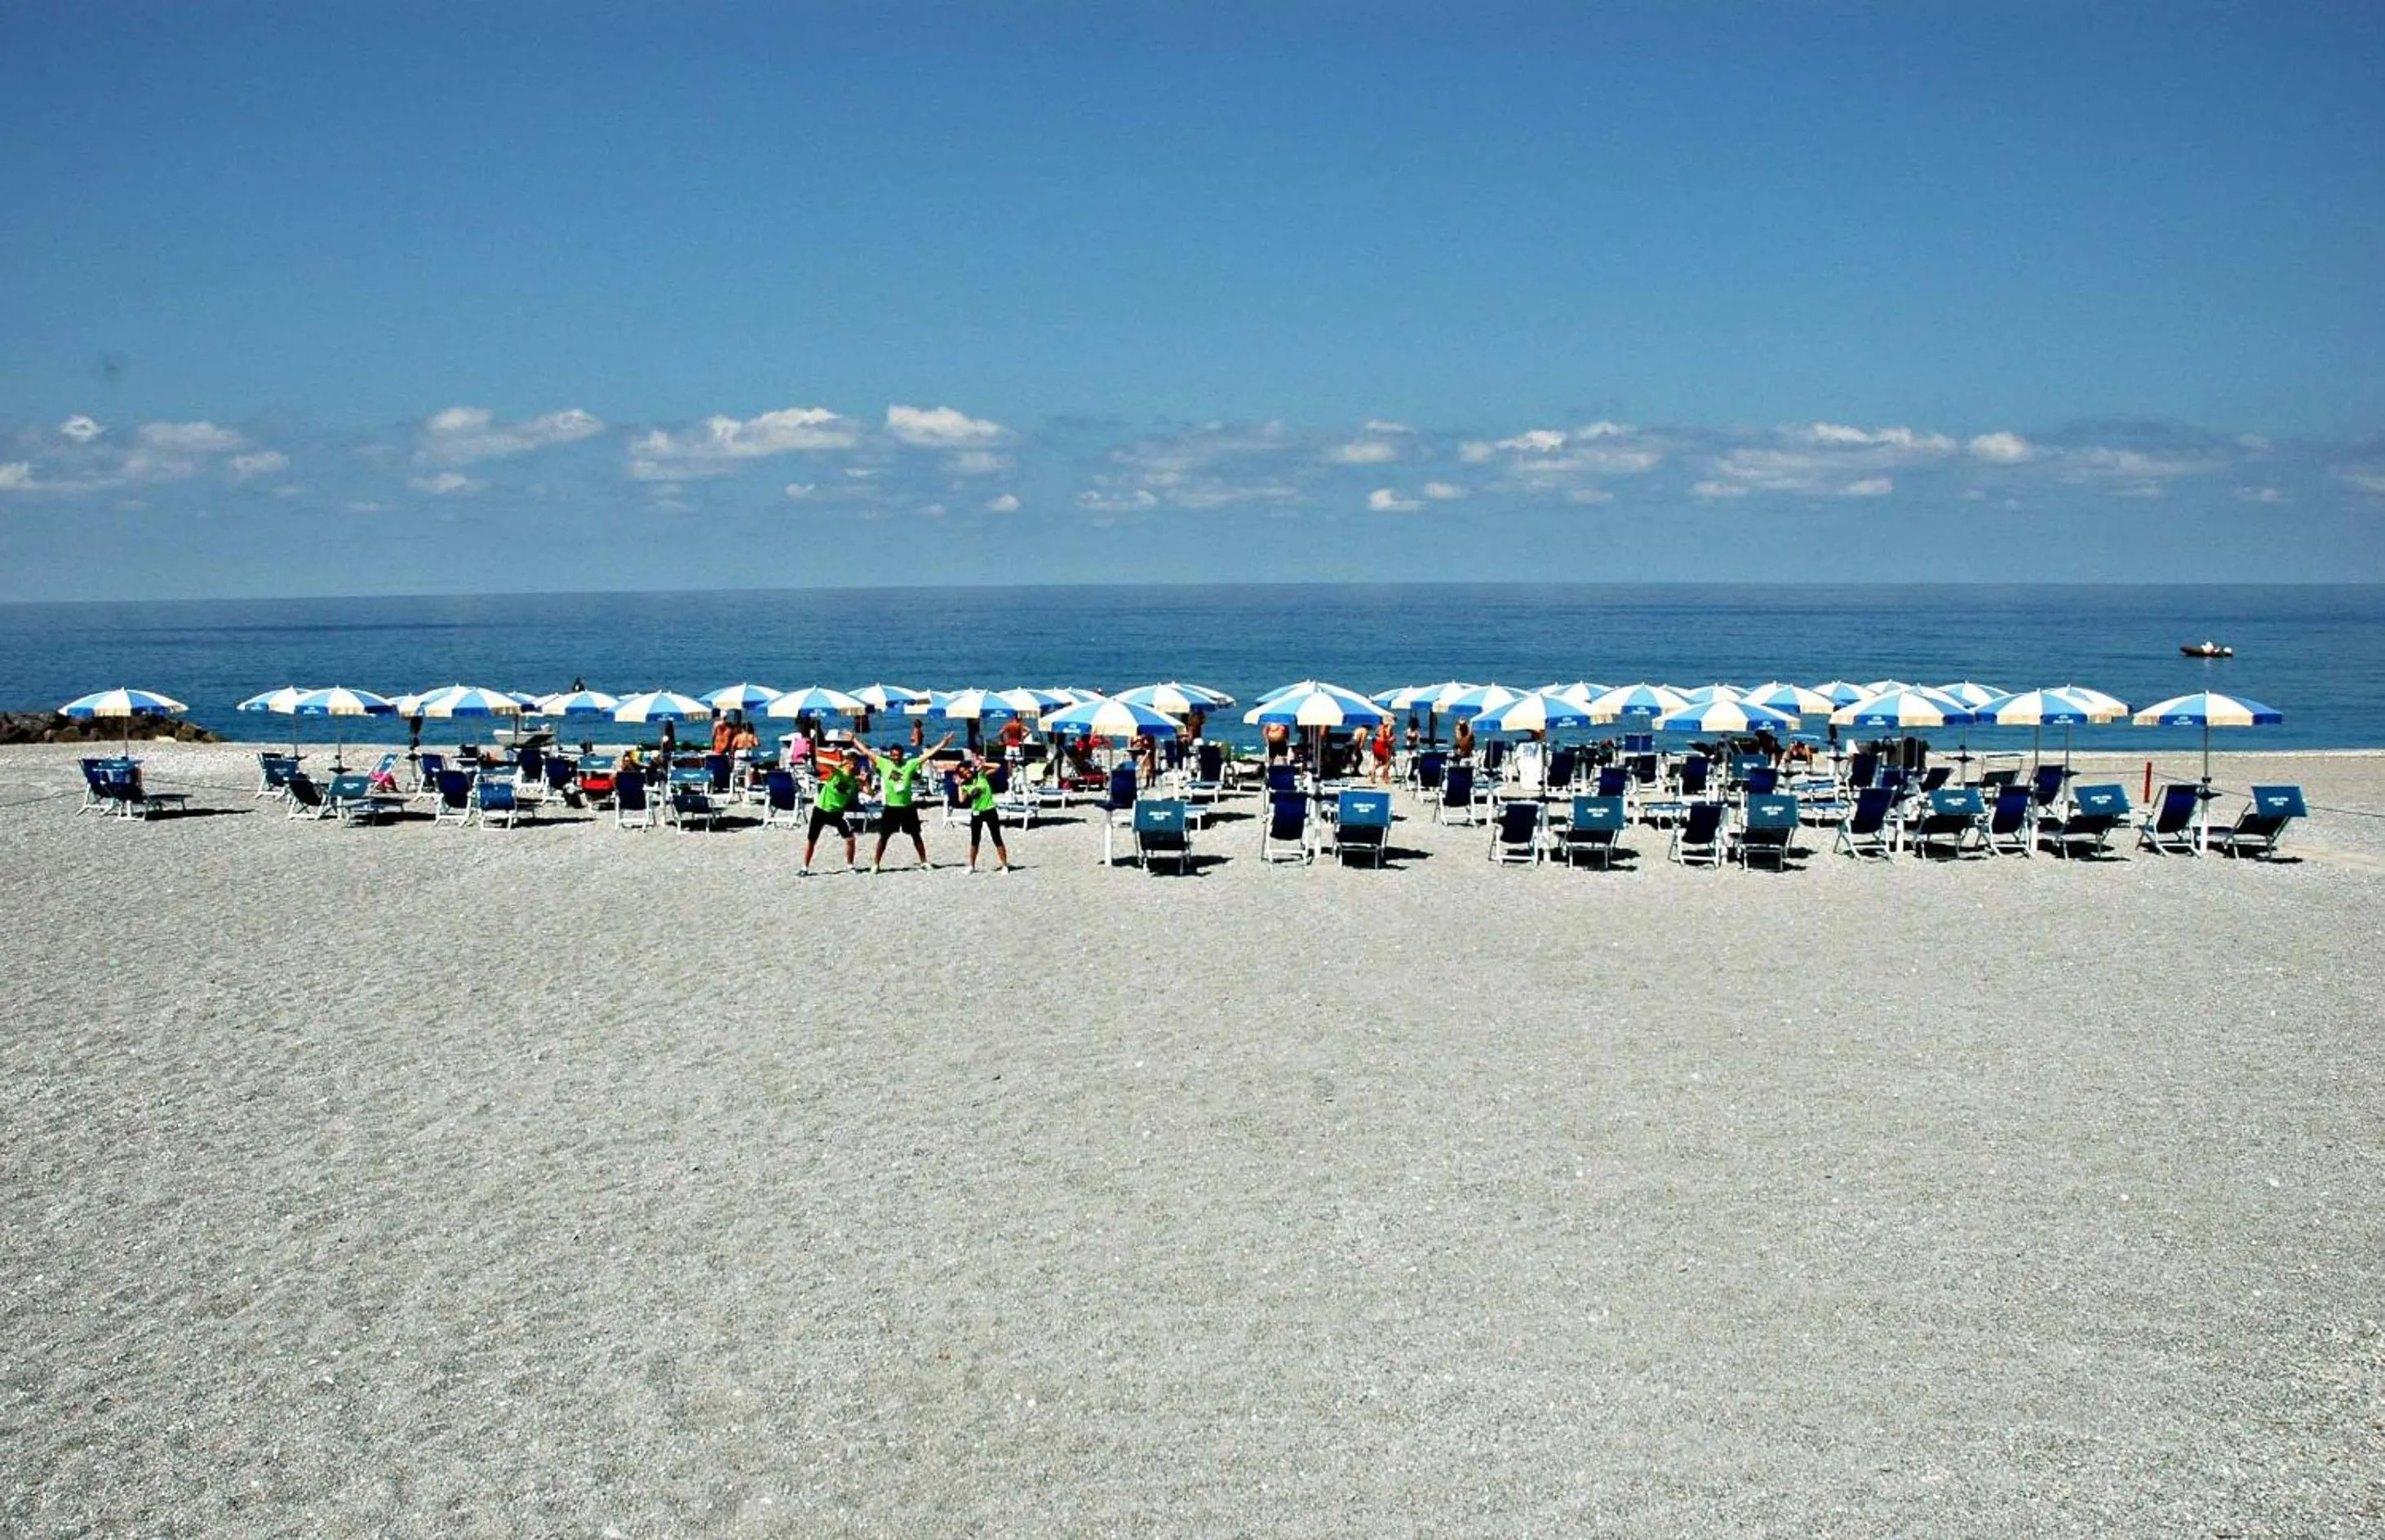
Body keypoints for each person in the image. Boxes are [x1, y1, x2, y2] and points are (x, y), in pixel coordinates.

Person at [861, 732, 951, 872]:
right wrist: (854, 740)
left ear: (902, 755)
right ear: (890, 755)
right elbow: (867, 752)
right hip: (891, 808)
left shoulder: (910, 764)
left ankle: (924, 862)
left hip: (907, 807)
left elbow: (927, 755)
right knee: (884, 837)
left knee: (916, 836)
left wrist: (943, 744)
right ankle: (876, 864)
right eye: (893, 755)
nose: (895, 757)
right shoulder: (884, 764)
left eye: (898, 755)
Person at [801, 750, 864, 874]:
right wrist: (839, 763)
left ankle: (850, 866)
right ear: (846, 762)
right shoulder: (838, 772)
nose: (852, 766)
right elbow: (819, 759)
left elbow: (870, 793)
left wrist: (865, 781)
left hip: (837, 813)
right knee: (812, 840)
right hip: (821, 810)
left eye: (854, 764)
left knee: (850, 839)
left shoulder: (854, 780)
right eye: (850, 763)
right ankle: (805, 868)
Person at [957, 753, 1013, 872]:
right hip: (976, 812)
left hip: (989, 809)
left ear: (969, 768)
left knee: (996, 837)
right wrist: (959, 786)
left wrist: (983, 764)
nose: (966, 773)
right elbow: (961, 800)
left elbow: (998, 767)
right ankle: (971, 866)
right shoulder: (965, 785)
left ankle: (1004, 865)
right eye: (962, 772)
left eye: (966, 770)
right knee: (975, 840)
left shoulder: (981, 775)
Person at [1370, 719, 1394, 785]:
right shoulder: (1388, 727)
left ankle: (1373, 772)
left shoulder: (1379, 727)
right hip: (1383, 745)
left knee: (1379, 762)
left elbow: (1377, 736)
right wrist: (1391, 741)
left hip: (1376, 745)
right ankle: (1385, 778)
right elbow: (1386, 738)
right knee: (1387, 763)